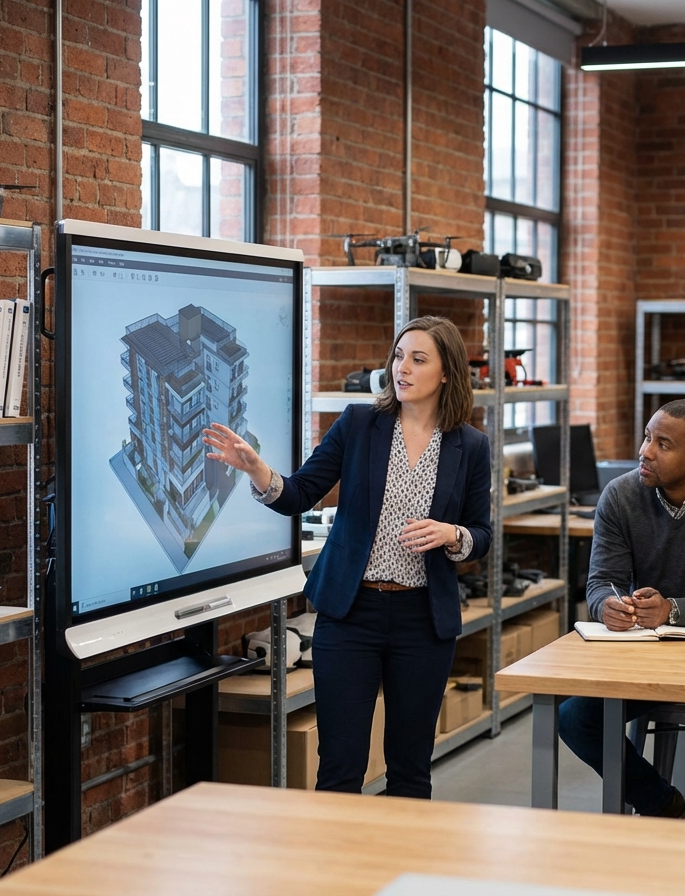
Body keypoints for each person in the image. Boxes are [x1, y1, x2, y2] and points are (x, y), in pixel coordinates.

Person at [203, 316, 491, 799]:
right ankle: (336, 873)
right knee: (339, 767)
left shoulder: (471, 446)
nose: (402, 368)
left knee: (410, 769)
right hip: (350, 615)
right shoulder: (360, 424)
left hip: (423, 620)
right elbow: (298, 493)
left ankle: (400, 873)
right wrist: (256, 469)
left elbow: (482, 534)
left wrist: (452, 533)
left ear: (446, 373)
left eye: (418, 359)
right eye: (398, 356)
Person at [558, 399, 685, 820]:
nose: (646, 450)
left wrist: (670, 609)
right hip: (648, 650)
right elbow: (601, 582)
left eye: (663, 444)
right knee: (575, 718)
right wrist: (607, 607)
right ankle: (661, 803)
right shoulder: (620, 495)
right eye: (647, 437)